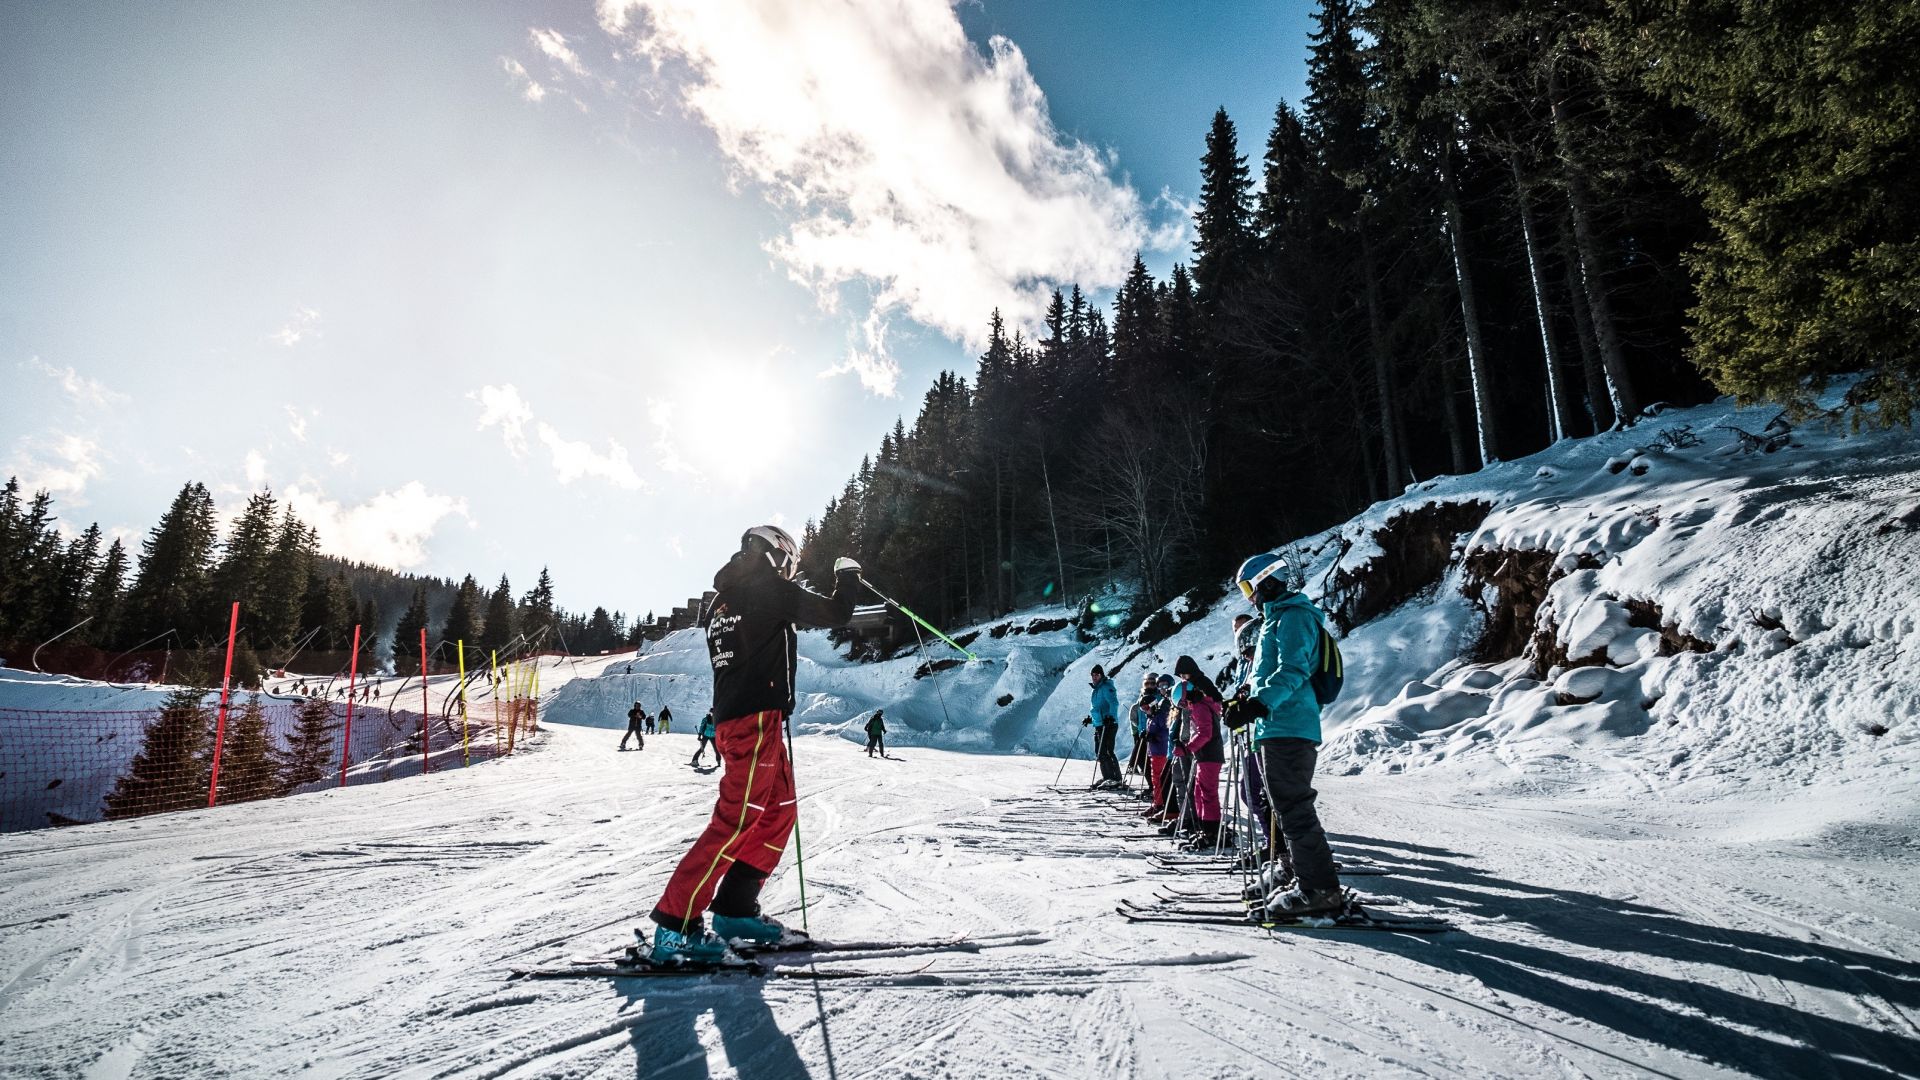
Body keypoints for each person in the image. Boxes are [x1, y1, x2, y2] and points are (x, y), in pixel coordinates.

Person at [644, 525, 862, 965]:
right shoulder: (769, 588)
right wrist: (850, 575)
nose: (789, 570)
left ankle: (735, 910)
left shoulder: (725, 600)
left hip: (742, 717)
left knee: (779, 811)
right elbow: (838, 613)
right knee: (737, 819)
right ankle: (674, 926)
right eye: (790, 562)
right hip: (754, 719)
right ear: (778, 555)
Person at [1236, 551, 1343, 918]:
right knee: (1280, 807)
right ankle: (1293, 870)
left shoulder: (1294, 617)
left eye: (1249, 586)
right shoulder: (1274, 621)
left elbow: (1293, 670)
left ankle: (1320, 890)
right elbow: (1269, 676)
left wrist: (1259, 704)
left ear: (1267, 581)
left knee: (1294, 808)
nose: (1248, 596)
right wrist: (1249, 701)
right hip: (1275, 726)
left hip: (1290, 726)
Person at [1171, 656, 1226, 849]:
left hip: (1209, 754)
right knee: (1199, 791)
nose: (1183, 707)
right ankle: (1204, 828)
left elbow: (1205, 732)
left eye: (1183, 703)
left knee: (1207, 792)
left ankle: (1211, 830)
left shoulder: (1201, 704)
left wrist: (1188, 747)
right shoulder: (1197, 704)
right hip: (1204, 754)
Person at [1081, 664, 1123, 789]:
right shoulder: (1096, 689)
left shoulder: (1106, 687)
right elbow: (1097, 707)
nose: (1094, 677)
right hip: (1099, 724)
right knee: (1100, 752)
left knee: (1107, 750)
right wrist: (1091, 718)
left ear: (1102, 675)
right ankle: (1107, 777)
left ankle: (1115, 779)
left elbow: (1114, 703)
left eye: (1097, 674)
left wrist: (1111, 717)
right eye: (1093, 675)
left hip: (1108, 724)